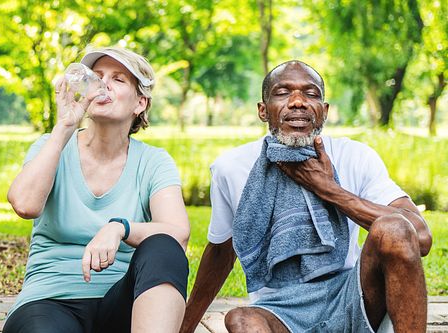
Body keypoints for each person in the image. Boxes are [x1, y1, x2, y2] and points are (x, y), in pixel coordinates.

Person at [180, 60, 432, 333]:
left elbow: (419, 235)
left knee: (393, 226)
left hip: (353, 294)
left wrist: (328, 189)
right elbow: (220, 253)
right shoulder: (231, 167)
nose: (298, 101)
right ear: (263, 110)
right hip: (279, 308)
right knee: (241, 321)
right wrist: (183, 329)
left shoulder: (355, 156)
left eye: (310, 94)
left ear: (323, 111)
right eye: (283, 92)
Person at [4, 46, 191, 333]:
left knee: (164, 246)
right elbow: (24, 205)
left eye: (118, 79)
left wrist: (120, 228)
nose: (103, 84)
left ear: (140, 102)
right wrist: (64, 127)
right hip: (51, 302)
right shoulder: (51, 146)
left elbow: (178, 233)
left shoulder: (153, 161)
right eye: (97, 76)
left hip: (122, 304)